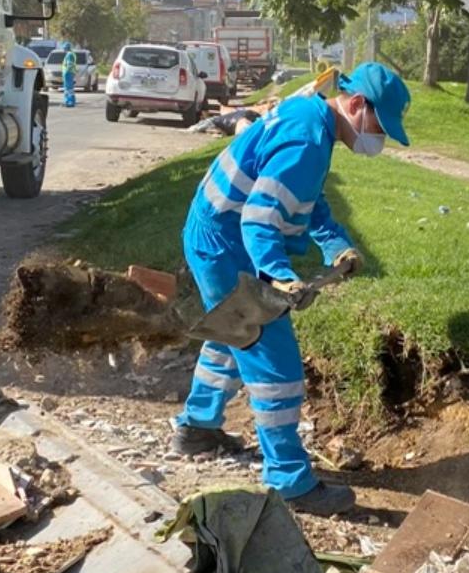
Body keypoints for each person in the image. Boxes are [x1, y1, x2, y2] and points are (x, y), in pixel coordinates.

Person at [170, 62, 412, 516]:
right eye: (380, 127)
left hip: (217, 233)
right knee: (272, 357)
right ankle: (290, 480)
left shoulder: (313, 121)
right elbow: (260, 216)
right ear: (358, 105)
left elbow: (306, 198)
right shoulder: (307, 137)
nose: (379, 138)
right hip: (228, 242)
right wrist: (277, 274)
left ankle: (196, 427)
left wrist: (335, 245)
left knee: (233, 335)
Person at [62, 42, 77, 108]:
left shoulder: (69, 54)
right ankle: (67, 101)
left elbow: (69, 64)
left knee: (69, 89)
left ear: (66, 48)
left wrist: (66, 72)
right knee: (67, 89)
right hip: (69, 73)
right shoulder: (70, 54)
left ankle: (70, 102)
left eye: (64, 48)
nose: (64, 50)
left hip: (68, 73)